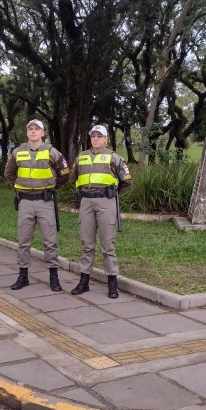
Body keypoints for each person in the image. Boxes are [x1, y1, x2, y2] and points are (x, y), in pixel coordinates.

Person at [4, 118, 70, 292]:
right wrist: (21, 184)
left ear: (43, 133)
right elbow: (9, 173)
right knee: (23, 241)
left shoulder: (51, 151)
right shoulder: (18, 152)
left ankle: (53, 277)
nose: (33, 131)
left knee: (50, 242)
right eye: (30, 129)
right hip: (25, 201)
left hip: (45, 202)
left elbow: (64, 173)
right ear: (27, 132)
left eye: (37, 129)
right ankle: (23, 276)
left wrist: (51, 185)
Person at [69, 125, 132, 298]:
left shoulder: (114, 157)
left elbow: (126, 180)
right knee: (86, 244)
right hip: (86, 202)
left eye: (99, 136)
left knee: (107, 245)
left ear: (106, 139)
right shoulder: (81, 157)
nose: (96, 139)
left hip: (106, 201)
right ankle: (84, 282)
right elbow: (73, 178)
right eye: (93, 136)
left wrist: (111, 193)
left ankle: (112, 283)